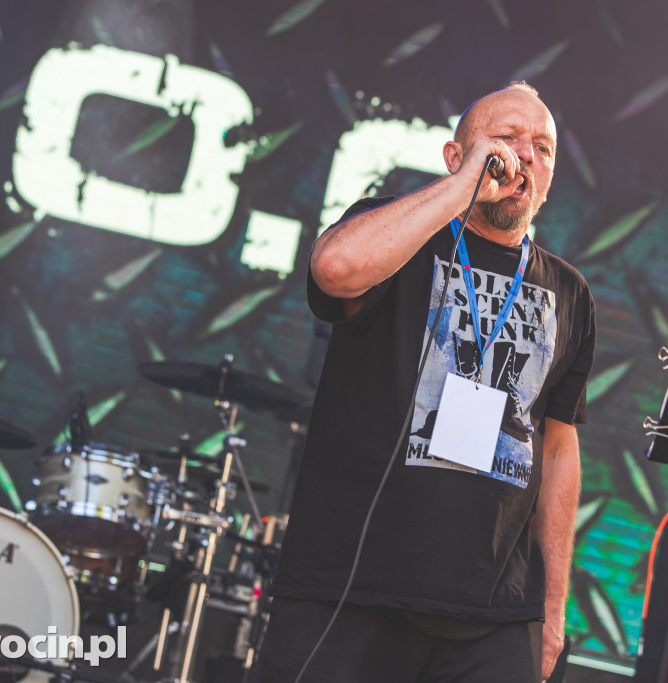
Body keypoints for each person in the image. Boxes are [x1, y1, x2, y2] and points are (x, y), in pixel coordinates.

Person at [255, 82, 596, 683]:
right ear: (455, 156)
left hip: (494, 611)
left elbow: (559, 447)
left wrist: (551, 607)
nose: (525, 155)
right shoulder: (396, 230)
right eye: (505, 139)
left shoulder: (569, 291)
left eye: (542, 147)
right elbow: (334, 269)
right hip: (350, 588)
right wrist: (466, 187)